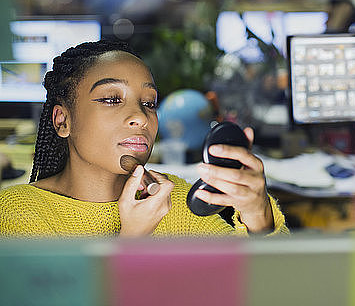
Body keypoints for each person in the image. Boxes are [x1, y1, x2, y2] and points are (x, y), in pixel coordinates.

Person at [0, 40, 288, 237]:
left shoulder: (173, 198)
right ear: (63, 121)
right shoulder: (17, 214)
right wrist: (132, 243)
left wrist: (258, 216)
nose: (140, 116)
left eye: (149, 103)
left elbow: (269, 289)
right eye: (112, 99)